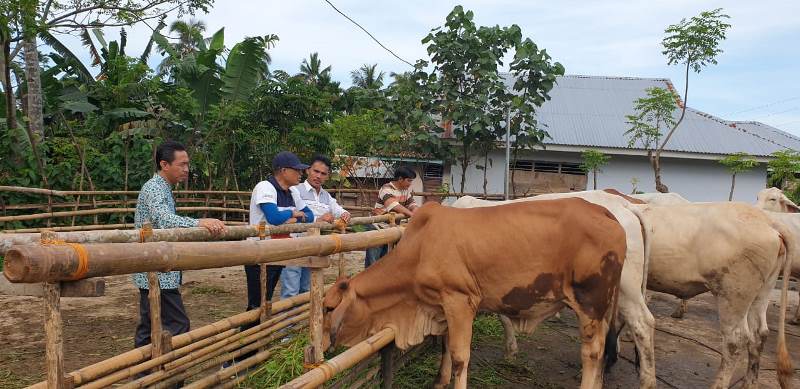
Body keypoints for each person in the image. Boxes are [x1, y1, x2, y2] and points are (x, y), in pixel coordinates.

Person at [133, 140, 226, 351]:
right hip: (157, 271)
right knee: (177, 323)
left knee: (149, 326)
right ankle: (168, 374)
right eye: (182, 164)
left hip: (156, 270)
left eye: (187, 164)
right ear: (165, 165)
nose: (186, 169)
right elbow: (164, 220)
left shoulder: (162, 188)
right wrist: (198, 222)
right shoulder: (154, 188)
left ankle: (146, 375)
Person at [245, 151, 315, 309]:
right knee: (257, 302)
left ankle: (259, 331)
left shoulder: (293, 192)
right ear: (284, 171)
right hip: (259, 253)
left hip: (278, 251)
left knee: (267, 298)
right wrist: (292, 212)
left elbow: (310, 216)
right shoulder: (265, 187)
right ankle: (249, 331)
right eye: (296, 170)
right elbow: (274, 218)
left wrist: (292, 218)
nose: (300, 174)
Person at [282, 155, 351, 298]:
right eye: (316, 171)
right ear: (308, 170)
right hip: (295, 245)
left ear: (327, 176)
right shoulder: (295, 190)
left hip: (315, 247)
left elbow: (340, 210)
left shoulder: (326, 196)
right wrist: (319, 219)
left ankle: (303, 319)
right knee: (291, 289)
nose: (318, 176)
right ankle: (290, 320)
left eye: (323, 173)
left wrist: (345, 215)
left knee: (307, 288)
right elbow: (292, 216)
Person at [364, 166, 419, 267]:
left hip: (390, 227)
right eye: (409, 180)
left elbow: (413, 204)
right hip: (377, 227)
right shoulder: (386, 188)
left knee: (385, 259)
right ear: (400, 179)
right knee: (373, 260)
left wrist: (416, 212)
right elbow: (394, 205)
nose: (410, 183)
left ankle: (381, 280)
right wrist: (412, 215)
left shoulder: (405, 191)